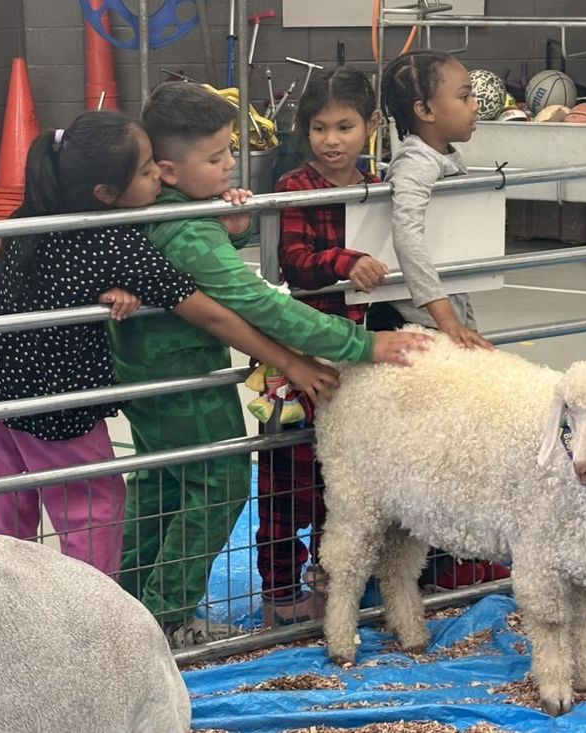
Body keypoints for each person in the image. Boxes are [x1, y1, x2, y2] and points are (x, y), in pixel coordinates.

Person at [0, 110, 339, 579]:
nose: (160, 175)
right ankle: (95, 629)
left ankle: (0, 612)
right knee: (93, 511)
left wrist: (101, 288)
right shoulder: (117, 243)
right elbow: (212, 314)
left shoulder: (38, 214)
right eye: (149, 169)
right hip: (52, 402)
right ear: (106, 194)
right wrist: (289, 361)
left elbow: (50, 280)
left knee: (3, 513)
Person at [107, 80, 429, 648]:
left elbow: (224, 249)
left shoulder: (171, 208)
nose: (232, 164)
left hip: (150, 368)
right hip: (182, 375)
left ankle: (130, 606)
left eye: (231, 150)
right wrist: (361, 347)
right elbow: (255, 301)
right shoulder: (184, 228)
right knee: (219, 480)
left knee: (161, 481)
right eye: (216, 157)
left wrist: (235, 222)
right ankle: (167, 616)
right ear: (168, 170)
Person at [257, 66, 389, 627]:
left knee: (350, 474)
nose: (330, 140)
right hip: (304, 354)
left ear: (372, 125)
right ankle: (281, 591)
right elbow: (295, 263)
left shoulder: (380, 184)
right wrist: (345, 263)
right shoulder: (295, 188)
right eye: (318, 128)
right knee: (289, 474)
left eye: (344, 126)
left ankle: (330, 574)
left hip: (359, 355)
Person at [374, 50, 510, 588]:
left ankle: (448, 556)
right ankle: (435, 560)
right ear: (425, 110)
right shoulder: (414, 163)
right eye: (463, 96)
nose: (476, 105)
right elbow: (407, 234)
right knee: (431, 451)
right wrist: (442, 315)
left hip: (447, 317)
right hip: (424, 327)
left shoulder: (442, 155)